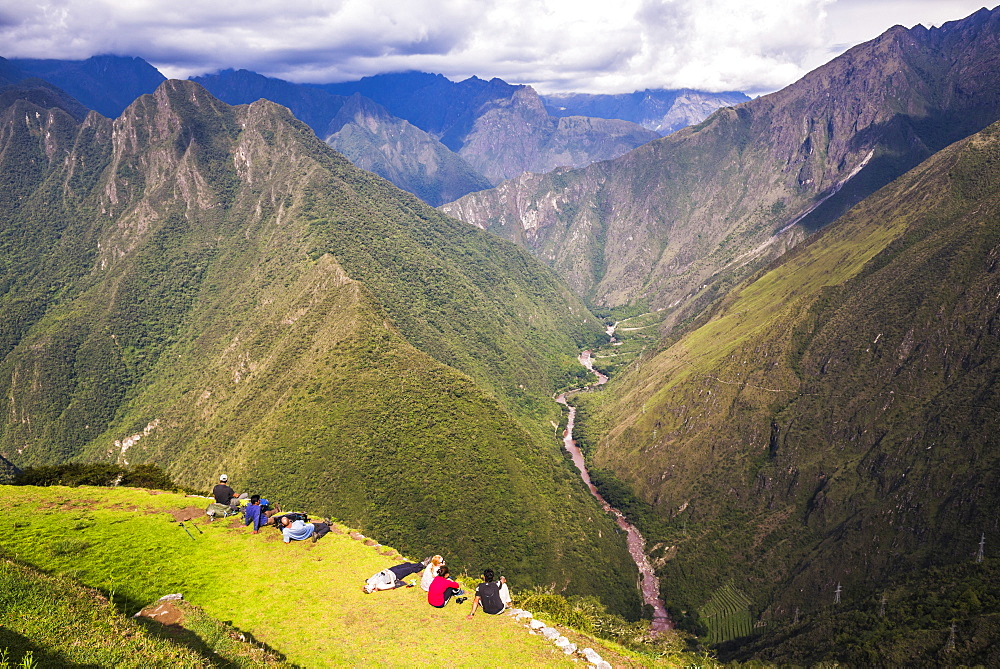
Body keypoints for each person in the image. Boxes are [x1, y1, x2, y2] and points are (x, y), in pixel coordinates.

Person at [364, 560, 429, 593]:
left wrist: (387, 571)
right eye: (371, 590)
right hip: (395, 575)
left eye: (369, 588)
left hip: (390, 570)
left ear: (366, 586)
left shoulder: (370, 581)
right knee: (409, 569)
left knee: (406, 565)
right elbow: (392, 585)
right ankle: (422, 565)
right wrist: (390, 575)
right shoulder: (380, 586)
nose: (371, 588)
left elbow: (374, 576)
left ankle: (422, 563)